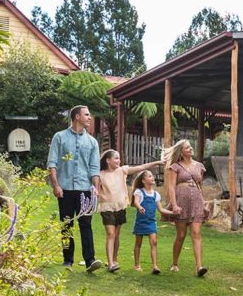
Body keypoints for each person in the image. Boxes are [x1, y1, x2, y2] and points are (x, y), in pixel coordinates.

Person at [47, 105, 103, 273]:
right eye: (86, 115)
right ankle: (67, 260)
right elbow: (52, 163)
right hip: (64, 189)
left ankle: (90, 261)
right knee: (66, 225)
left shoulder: (92, 142)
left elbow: (94, 169)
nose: (89, 118)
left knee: (86, 224)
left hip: (85, 190)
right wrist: (56, 185)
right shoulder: (60, 137)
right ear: (77, 116)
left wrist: (96, 189)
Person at [97, 149, 163, 273]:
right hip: (107, 207)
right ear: (108, 160)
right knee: (110, 234)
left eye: (119, 158)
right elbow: (94, 187)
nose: (119, 160)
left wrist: (156, 163)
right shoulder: (100, 174)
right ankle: (111, 263)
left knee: (116, 235)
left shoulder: (122, 171)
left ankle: (114, 260)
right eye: (116, 158)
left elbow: (141, 167)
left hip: (121, 206)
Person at [163, 138, 208, 276]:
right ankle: (175, 263)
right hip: (181, 202)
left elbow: (200, 186)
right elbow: (171, 187)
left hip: (196, 202)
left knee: (196, 233)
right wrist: (174, 204)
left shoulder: (199, 166)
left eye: (190, 146)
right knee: (181, 235)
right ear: (181, 152)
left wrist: (204, 202)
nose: (191, 149)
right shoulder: (175, 167)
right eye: (187, 148)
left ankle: (199, 267)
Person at [131, 169, 175, 274]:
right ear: (143, 180)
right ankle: (137, 265)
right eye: (150, 176)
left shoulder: (156, 194)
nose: (152, 177)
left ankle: (155, 266)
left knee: (154, 242)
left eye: (152, 176)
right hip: (140, 222)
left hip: (151, 222)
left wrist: (173, 213)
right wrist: (140, 207)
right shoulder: (139, 192)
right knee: (138, 243)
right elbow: (136, 202)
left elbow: (161, 209)